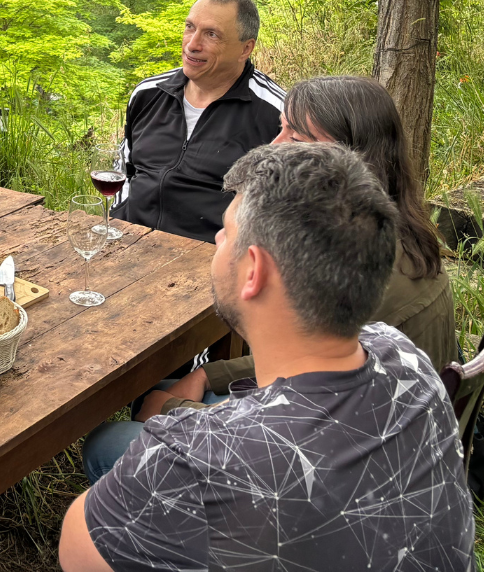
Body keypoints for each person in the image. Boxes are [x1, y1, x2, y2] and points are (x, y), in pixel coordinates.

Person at [60, 142, 474, 572]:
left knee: (108, 448)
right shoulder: (405, 356)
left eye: (226, 231)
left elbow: (76, 549)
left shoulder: (193, 457)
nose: (218, 239)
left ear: (253, 271)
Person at [82, 73, 457, 480]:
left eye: (295, 139)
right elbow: (306, 371)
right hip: (370, 434)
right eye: (280, 129)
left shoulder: (362, 270)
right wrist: (208, 373)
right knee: (163, 388)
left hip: (337, 473)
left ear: (352, 157)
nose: (272, 148)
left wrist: (176, 412)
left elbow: (290, 424)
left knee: (111, 441)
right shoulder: (393, 234)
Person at [111, 0, 283, 243]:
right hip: (129, 243)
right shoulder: (148, 94)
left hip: (209, 261)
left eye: (211, 34)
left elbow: (287, 209)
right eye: (190, 27)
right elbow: (123, 169)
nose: (192, 45)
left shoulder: (278, 114)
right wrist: (118, 221)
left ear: (245, 49)